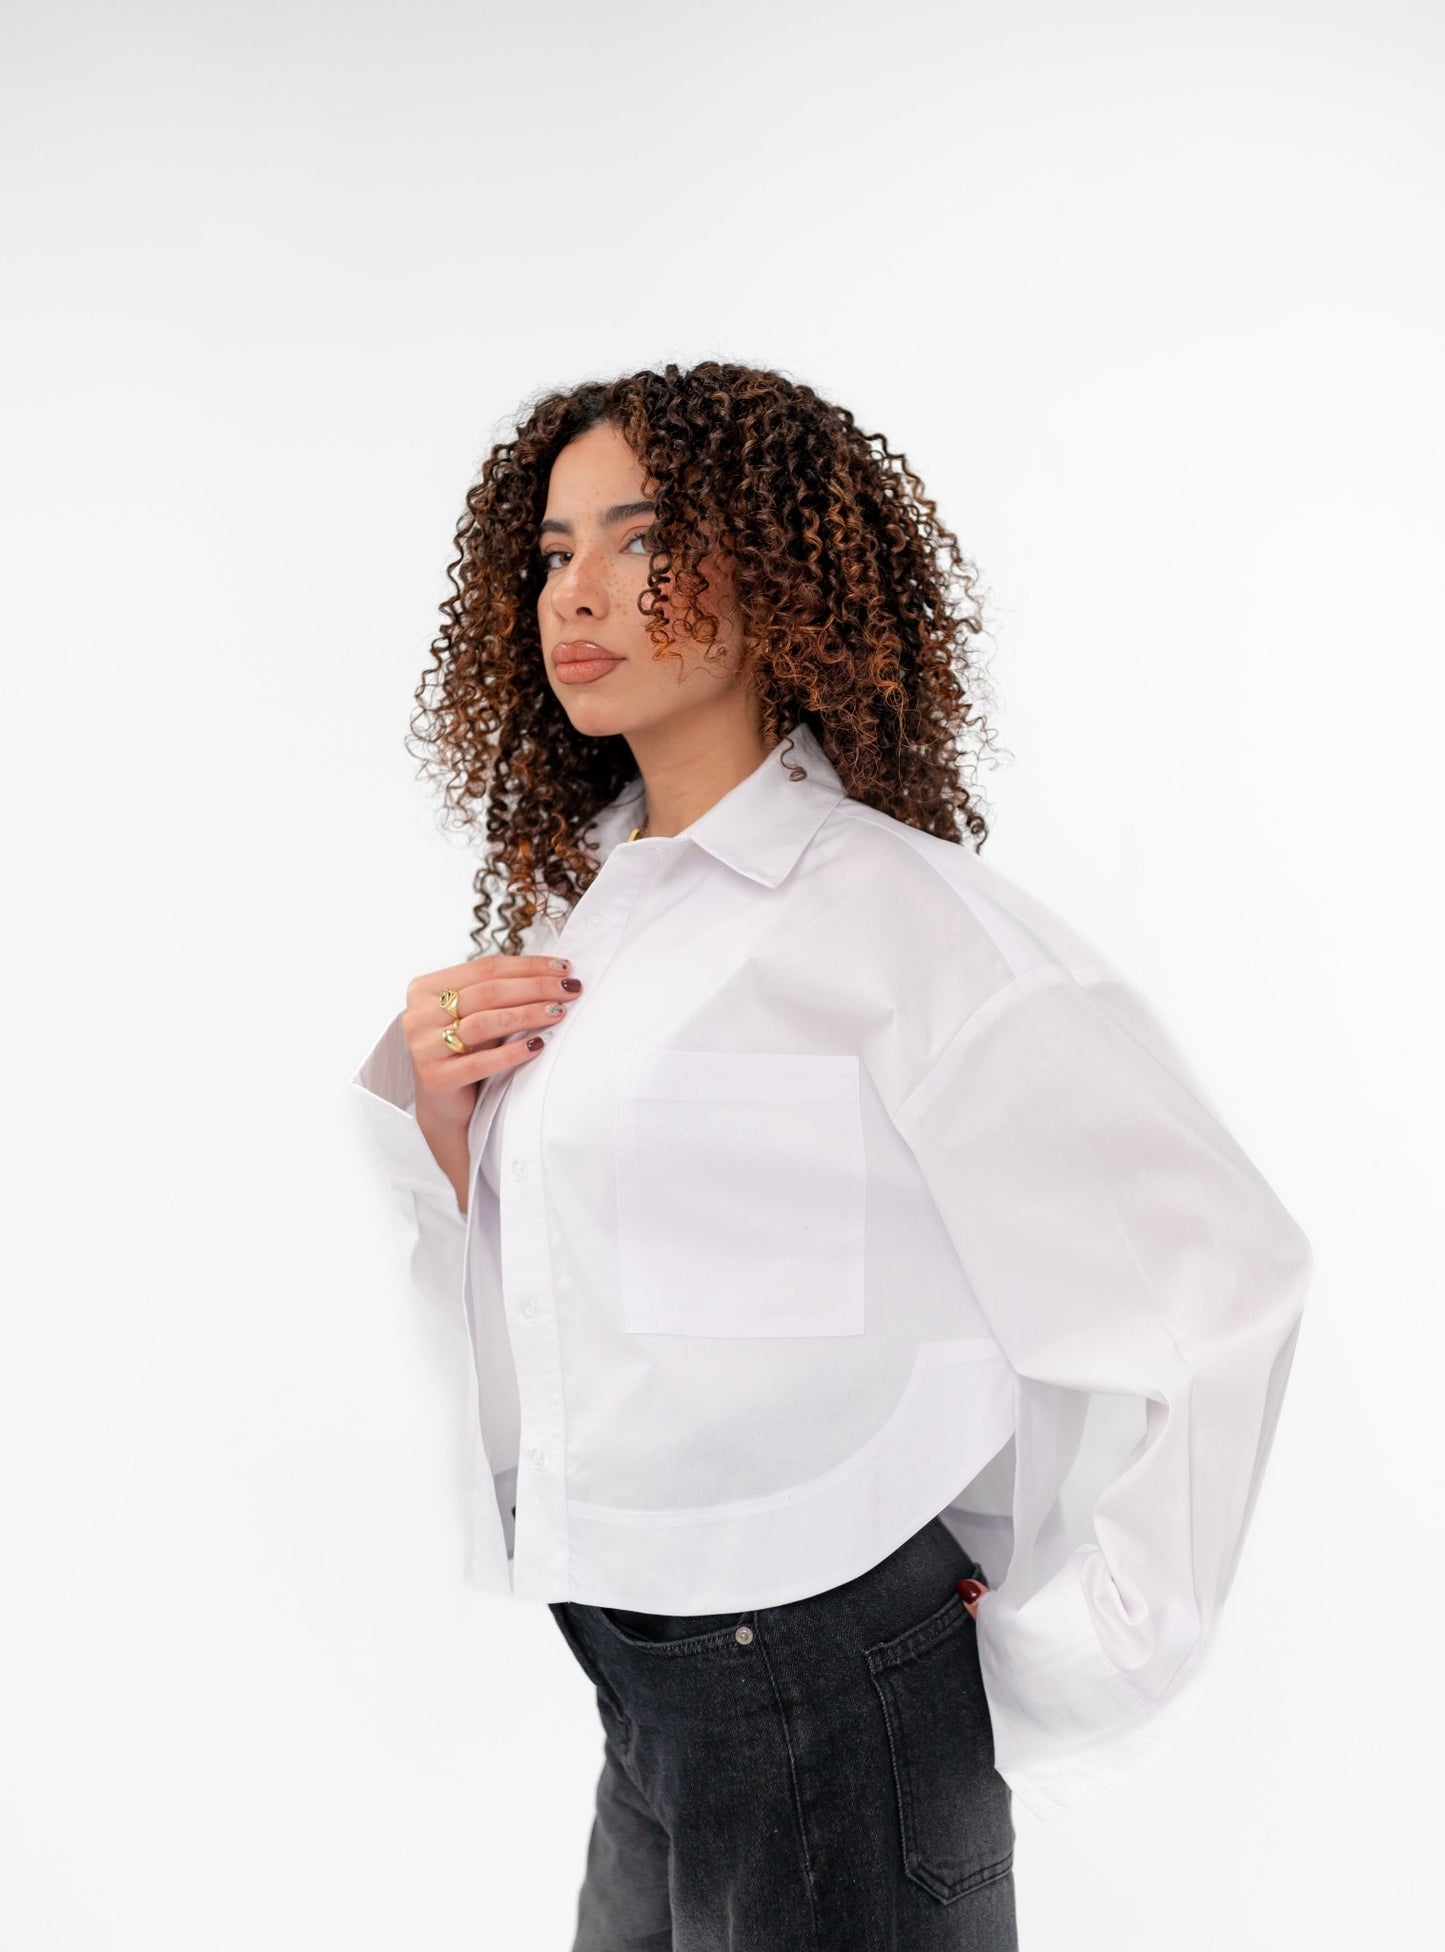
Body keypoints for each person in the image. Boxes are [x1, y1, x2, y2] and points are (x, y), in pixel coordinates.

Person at [350, 361, 1312, 1950]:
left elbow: (1220, 1277)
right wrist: (446, 1126)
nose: (573, 591)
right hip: (642, 1687)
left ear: (777, 571)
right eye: (551, 552)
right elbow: (603, 1303)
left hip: (824, 1689)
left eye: (639, 541)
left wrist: (1074, 1656)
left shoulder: (889, 919)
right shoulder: (588, 918)